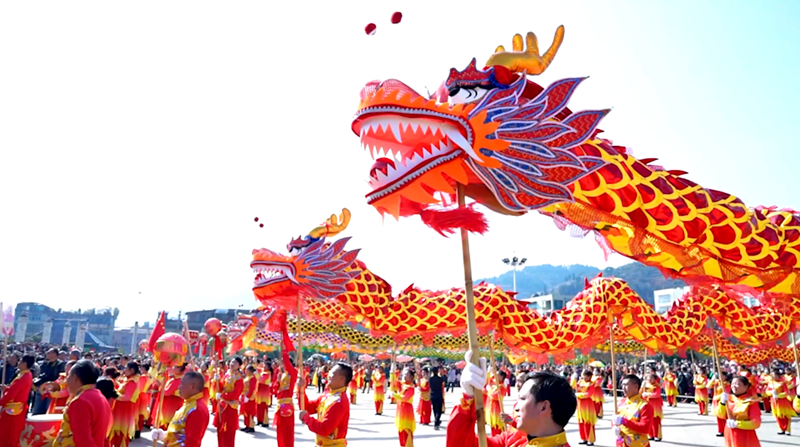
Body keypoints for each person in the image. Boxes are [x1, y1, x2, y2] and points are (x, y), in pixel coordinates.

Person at [447, 351, 576, 447]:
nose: (516, 407)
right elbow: (463, 444)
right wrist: (468, 397)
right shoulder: (515, 439)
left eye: (522, 399)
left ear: (543, 407)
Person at [53, 359, 112, 447]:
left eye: (68, 375)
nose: (66, 380)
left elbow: (83, 441)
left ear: (75, 378)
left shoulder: (80, 401)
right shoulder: (100, 397)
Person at [298, 362, 352, 446]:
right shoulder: (328, 395)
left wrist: (307, 418)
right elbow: (307, 407)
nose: (329, 375)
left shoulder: (339, 402)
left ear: (342, 379)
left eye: (332, 373)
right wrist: (301, 389)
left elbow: (324, 429)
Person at [152, 371, 209, 447]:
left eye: (182, 384)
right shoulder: (188, 403)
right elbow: (180, 431)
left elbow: (192, 442)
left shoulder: (196, 409)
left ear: (192, 386)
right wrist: (164, 436)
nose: (179, 387)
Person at [0, 354, 34, 447]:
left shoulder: (23, 377)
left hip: (13, 410)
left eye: (20, 361)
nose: (18, 363)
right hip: (18, 408)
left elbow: (11, 395)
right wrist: (7, 389)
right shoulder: (26, 374)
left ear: (24, 364)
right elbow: (18, 390)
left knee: (8, 433)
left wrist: (2, 401)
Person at [611, 375, 653, 447]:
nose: (623, 387)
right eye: (622, 385)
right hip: (621, 443)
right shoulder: (621, 402)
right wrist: (614, 427)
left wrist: (624, 421)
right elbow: (615, 419)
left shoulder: (644, 405)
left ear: (636, 386)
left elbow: (645, 428)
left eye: (626, 385)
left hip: (637, 444)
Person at [109, 361, 141, 447]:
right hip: (119, 408)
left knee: (120, 433)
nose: (124, 370)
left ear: (132, 370)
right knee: (116, 432)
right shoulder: (128, 379)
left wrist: (114, 394)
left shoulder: (132, 382)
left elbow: (127, 397)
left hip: (124, 410)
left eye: (126, 368)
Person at [724, 375, 761, 447]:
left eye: (737, 384)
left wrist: (737, 424)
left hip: (745, 434)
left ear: (746, 386)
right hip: (729, 432)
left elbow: (756, 422)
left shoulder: (751, 401)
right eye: (732, 384)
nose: (734, 386)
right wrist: (722, 403)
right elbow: (720, 414)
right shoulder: (728, 399)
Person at [215, 357, 244, 447]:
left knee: (229, 432)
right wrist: (217, 380)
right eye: (231, 362)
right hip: (222, 405)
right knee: (220, 431)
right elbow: (221, 387)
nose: (232, 364)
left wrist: (222, 396)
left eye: (235, 363)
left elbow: (235, 394)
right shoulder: (227, 374)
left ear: (239, 366)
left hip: (230, 407)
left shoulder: (238, 378)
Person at [274, 349, 298, 447]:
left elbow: (288, 364)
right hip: (280, 404)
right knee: (280, 431)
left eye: (284, 363)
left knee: (287, 432)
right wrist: (278, 381)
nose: (282, 365)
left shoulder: (293, 373)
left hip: (287, 405)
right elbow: (276, 390)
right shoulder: (283, 374)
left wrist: (284, 351)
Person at [33, 347, 64, 414]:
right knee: (37, 410)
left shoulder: (60, 365)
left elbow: (60, 377)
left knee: (48, 409)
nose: (47, 354)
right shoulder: (45, 364)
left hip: (52, 390)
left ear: (54, 354)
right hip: (42, 388)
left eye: (49, 353)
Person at [767, 368, 795, 435]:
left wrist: (778, 395)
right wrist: (771, 392)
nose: (774, 377)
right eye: (772, 375)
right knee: (778, 416)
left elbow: (786, 392)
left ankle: (788, 429)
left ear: (778, 376)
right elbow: (767, 391)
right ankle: (781, 429)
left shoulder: (782, 383)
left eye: (775, 375)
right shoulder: (770, 383)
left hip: (783, 402)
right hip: (774, 401)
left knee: (786, 416)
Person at [394, 365, 416, 447]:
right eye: (404, 374)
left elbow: (405, 398)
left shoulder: (411, 388)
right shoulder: (403, 385)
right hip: (400, 410)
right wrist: (393, 372)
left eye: (406, 374)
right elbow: (394, 383)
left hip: (407, 411)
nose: (404, 375)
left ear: (411, 377)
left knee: (406, 431)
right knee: (401, 431)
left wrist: (395, 395)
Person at [575, 369, 597, 445]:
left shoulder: (591, 384)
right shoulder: (580, 382)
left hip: (588, 406)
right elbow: (575, 388)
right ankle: (584, 438)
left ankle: (590, 439)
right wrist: (574, 379)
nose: (584, 377)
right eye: (583, 375)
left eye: (586, 376)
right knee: (581, 422)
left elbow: (589, 394)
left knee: (588, 422)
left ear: (590, 376)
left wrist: (579, 395)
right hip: (580, 405)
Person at [159, 364, 186, 429]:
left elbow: (167, 392)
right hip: (171, 403)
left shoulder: (177, 381)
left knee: (169, 423)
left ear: (179, 369)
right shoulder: (174, 379)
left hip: (172, 404)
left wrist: (160, 385)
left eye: (174, 367)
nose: (172, 368)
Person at [641, 373, 663, 442]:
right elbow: (640, 393)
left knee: (656, 421)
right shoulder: (645, 385)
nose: (649, 379)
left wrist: (648, 394)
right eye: (648, 378)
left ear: (654, 379)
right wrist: (642, 387)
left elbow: (657, 394)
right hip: (647, 405)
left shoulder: (657, 386)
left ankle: (657, 435)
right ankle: (651, 435)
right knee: (649, 421)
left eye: (651, 378)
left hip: (655, 406)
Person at [485, 370, 507, 436]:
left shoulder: (502, 387)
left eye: (497, 375)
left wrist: (489, 391)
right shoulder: (494, 385)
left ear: (501, 377)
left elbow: (495, 396)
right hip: (491, 409)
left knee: (497, 427)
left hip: (497, 409)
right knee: (493, 427)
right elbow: (489, 377)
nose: (495, 376)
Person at [712, 372, 732, 437]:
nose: (720, 377)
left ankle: (726, 431)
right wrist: (712, 380)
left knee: (724, 417)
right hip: (717, 401)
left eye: (721, 375)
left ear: (725, 377)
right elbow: (708, 386)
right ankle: (721, 430)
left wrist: (717, 397)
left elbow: (727, 393)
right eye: (719, 375)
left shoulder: (727, 384)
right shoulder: (717, 382)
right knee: (718, 417)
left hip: (723, 401)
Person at [239, 365, 257, 433]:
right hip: (244, 396)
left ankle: (251, 426)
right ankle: (247, 425)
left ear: (250, 371)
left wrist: (248, 396)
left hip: (250, 397)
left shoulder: (252, 378)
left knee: (250, 412)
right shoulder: (247, 377)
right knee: (245, 411)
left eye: (247, 369)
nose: (245, 371)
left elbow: (251, 389)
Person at [429, 365, 446, 431]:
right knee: (439, 410)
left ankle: (437, 420)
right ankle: (436, 422)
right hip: (439, 395)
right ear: (437, 371)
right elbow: (445, 378)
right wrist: (442, 373)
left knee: (434, 409)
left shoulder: (430, 379)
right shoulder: (439, 379)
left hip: (432, 395)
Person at [256, 362, 272, 427]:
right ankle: (259, 420)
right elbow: (256, 368)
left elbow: (260, 380)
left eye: (266, 365)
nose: (264, 366)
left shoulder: (267, 374)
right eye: (264, 365)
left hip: (264, 390)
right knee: (258, 406)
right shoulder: (262, 372)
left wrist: (256, 374)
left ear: (269, 367)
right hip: (259, 390)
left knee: (263, 406)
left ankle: (265, 421)